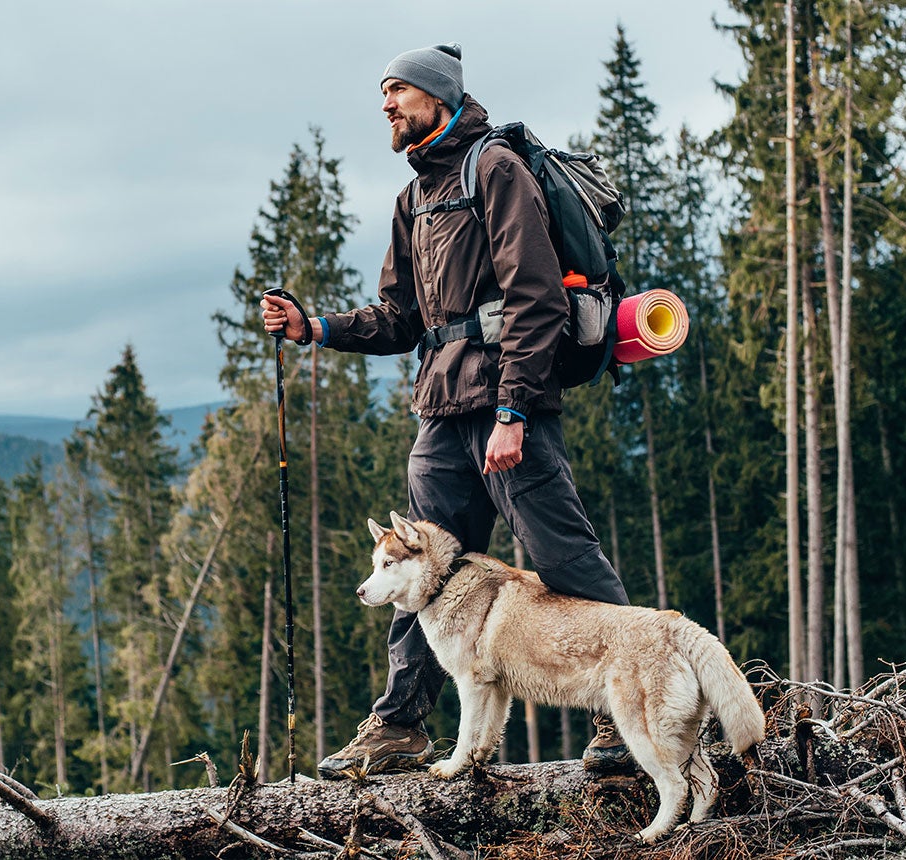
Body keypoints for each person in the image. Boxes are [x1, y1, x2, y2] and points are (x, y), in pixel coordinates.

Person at [262, 42, 632, 779]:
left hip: (504, 404)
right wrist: (319, 329)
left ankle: (621, 713)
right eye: (383, 94)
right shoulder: (415, 198)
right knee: (415, 577)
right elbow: (402, 317)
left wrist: (516, 411)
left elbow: (537, 299)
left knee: (562, 556)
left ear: (437, 95)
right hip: (439, 411)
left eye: (397, 90)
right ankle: (400, 727)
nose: (387, 105)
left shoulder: (494, 170)